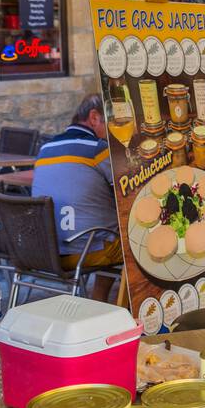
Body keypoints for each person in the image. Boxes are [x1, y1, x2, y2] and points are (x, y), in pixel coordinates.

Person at [32, 95, 120, 301]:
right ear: (94, 117)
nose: (112, 131)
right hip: (85, 252)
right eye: (110, 123)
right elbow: (126, 187)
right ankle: (116, 308)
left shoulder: (45, 150)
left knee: (103, 229)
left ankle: (100, 302)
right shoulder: (98, 149)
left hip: (44, 251)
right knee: (131, 242)